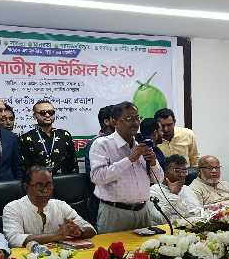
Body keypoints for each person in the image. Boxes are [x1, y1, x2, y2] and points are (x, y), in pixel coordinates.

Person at [89, 102, 164, 233]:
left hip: (143, 212)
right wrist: (130, 159)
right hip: (115, 213)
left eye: (137, 118)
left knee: (147, 247)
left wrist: (153, 162)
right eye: (129, 119)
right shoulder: (102, 144)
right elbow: (98, 177)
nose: (135, 123)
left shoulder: (140, 145)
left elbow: (158, 179)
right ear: (114, 121)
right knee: (114, 247)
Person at [2, 166, 95, 247]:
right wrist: (56, 236)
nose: (45, 190)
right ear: (26, 187)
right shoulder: (12, 208)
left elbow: (91, 229)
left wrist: (79, 232)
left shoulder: (61, 205)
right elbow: (14, 239)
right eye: (39, 186)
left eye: (49, 185)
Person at [19, 100, 78, 175]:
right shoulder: (25, 138)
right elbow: (23, 167)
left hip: (63, 180)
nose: (47, 115)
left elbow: (73, 163)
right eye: (43, 113)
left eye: (51, 112)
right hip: (37, 181)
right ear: (34, 116)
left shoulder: (64, 135)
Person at [148, 155, 201, 225]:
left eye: (184, 171)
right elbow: (161, 220)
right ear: (165, 172)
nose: (182, 175)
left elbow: (199, 213)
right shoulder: (153, 191)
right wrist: (173, 194)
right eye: (177, 171)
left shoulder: (186, 188)